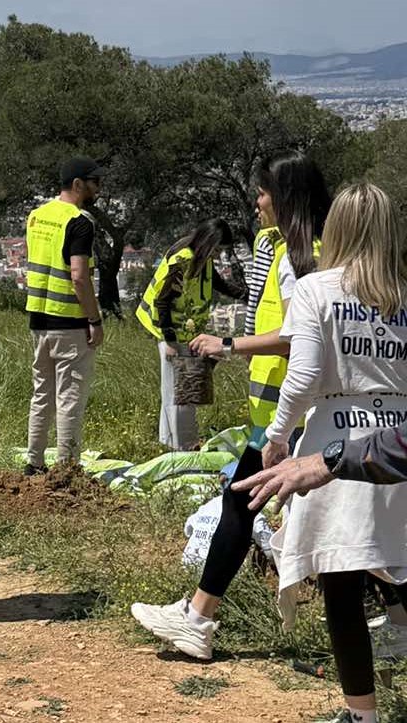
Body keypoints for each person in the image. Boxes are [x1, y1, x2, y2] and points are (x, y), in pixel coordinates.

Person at [131, 150, 332, 660]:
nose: (257, 202)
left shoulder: (296, 260)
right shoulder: (312, 249)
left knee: (241, 502)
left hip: (287, 412)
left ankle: (198, 620)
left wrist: (227, 345)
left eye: (263, 192)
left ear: (284, 197)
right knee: (313, 510)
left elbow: (296, 338)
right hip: (291, 410)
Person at [224, 184, 405, 723]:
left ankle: (361, 713)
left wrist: (278, 436)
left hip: (336, 440)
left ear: (338, 228)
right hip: (397, 441)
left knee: (341, 579)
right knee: (399, 568)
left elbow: (302, 375)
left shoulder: (316, 289)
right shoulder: (403, 293)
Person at [24, 157, 106, 476]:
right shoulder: (80, 221)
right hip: (70, 323)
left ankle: (34, 463)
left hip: (39, 321)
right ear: (77, 184)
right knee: (69, 397)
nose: (98, 188)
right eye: (94, 182)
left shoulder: (36, 216)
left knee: (41, 394)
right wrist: (94, 320)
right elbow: (79, 277)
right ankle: (66, 470)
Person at [135, 219, 246, 450]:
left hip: (185, 332)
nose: (217, 255)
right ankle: (183, 446)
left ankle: (170, 443)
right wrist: (169, 340)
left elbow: (218, 284)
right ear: (208, 242)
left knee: (176, 391)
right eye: (216, 250)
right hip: (171, 332)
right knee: (181, 394)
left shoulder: (201, 259)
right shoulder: (183, 260)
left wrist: (247, 294)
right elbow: (162, 300)